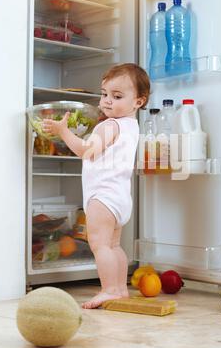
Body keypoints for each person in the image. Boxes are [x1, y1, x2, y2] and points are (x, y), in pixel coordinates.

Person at [42, 63, 150, 309]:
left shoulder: (108, 126)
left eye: (117, 96)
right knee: (113, 245)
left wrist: (63, 131)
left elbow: (86, 151)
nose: (108, 101)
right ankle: (121, 288)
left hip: (102, 196)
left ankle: (109, 289)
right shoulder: (131, 126)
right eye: (104, 94)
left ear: (138, 102)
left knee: (99, 245)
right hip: (121, 197)